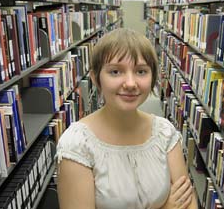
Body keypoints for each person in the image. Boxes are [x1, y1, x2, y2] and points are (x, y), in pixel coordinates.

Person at [56, 28, 197, 209]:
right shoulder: (77, 144)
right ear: (95, 77)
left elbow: (188, 203)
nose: (130, 83)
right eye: (115, 72)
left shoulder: (164, 133)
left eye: (141, 71)